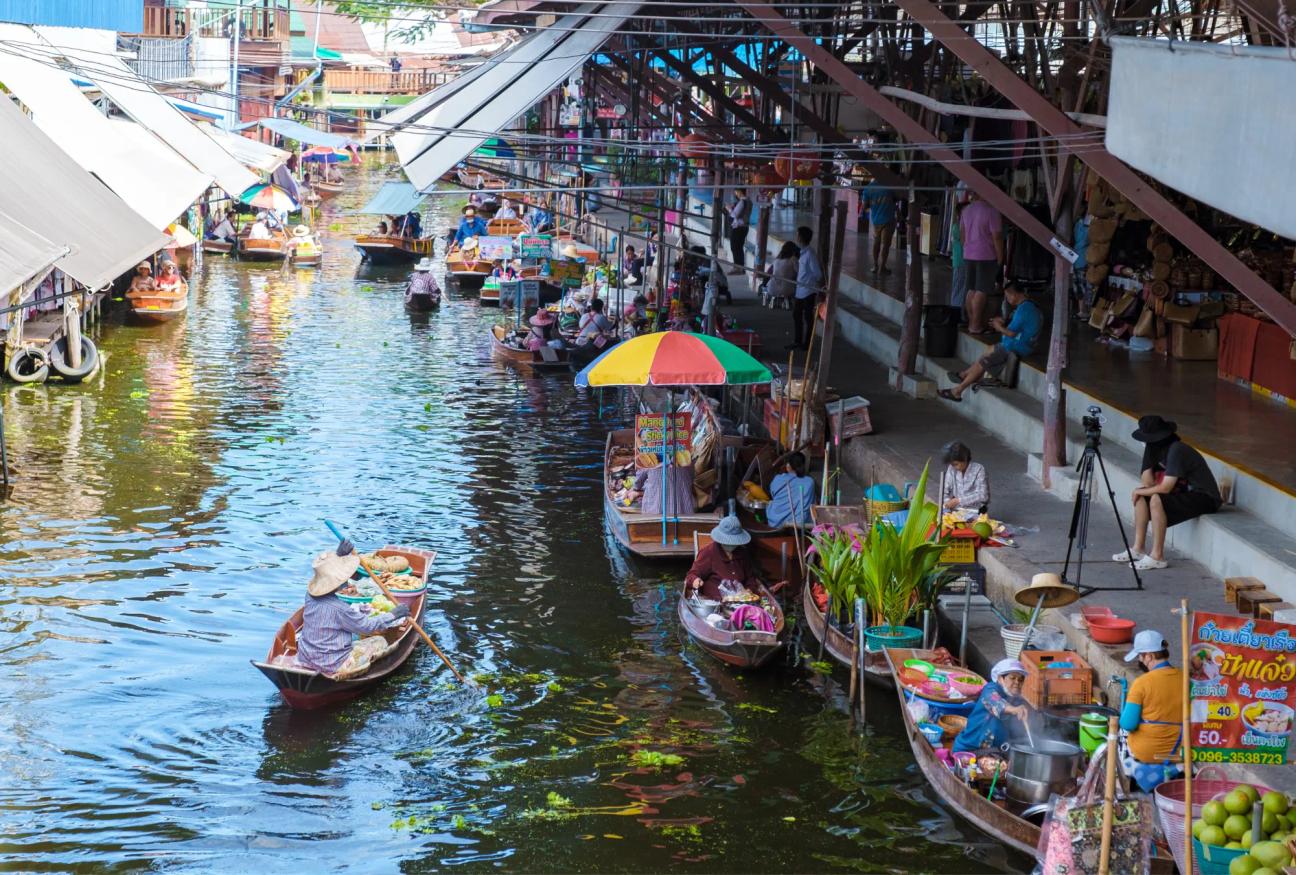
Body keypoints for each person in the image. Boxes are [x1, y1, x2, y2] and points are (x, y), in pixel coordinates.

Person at [1114, 416, 1222, 571]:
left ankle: (1157, 556)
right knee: (1142, 496)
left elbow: (1165, 488)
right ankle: (1138, 548)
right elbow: (1148, 482)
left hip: (1205, 497)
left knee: (1156, 498)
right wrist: (1148, 456)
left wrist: (1139, 490)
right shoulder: (1156, 450)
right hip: (1184, 493)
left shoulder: (1177, 449)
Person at [295, 540, 411, 678]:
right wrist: (394, 614)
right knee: (380, 641)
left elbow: (324, 574)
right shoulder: (341, 609)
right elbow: (368, 627)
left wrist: (339, 555)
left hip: (305, 656)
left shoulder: (309, 595)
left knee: (351, 636)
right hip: (333, 664)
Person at [940, 283, 1041, 402]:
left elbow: (1011, 334)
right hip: (1022, 344)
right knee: (990, 349)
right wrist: (1002, 322)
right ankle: (964, 374)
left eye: (1008, 296)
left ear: (1014, 295)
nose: (1008, 300)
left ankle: (958, 390)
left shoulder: (1023, 310)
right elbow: (1017, 327)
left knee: (983, 362)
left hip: (1018, 346)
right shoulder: (1028, 306)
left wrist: (999, 327)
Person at [1119, 629, 1185, 791]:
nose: (1140, 660)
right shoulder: (1185, 678)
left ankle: (1125, 790)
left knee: (1118, 739)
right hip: (1180, 750)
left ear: (1148, 656)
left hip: (1148, 752)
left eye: (1140, 656)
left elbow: (1128, 724)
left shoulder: (1142, 683)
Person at [953, 658, 1035, 753]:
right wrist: (1014, 710)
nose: (1017, 682)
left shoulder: (1017, 700)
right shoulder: (990, 689)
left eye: (1021, 680)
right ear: (1000, 678)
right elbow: (995, 701)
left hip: (993, 753)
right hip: (969, 750)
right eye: (1012, 678)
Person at [686, 515, 763, 600]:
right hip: (715, 602)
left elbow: (750, 578)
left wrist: (748, 591)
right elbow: (691, 575)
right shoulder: (708, 552)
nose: (731, 545)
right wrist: (695, 580)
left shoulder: (742, 553)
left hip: (740, 601)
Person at [959, 190, 1004, 334]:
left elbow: (962, 234)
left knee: (971, 289)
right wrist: (1000, 257)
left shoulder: (966, 210)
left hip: (968, 254)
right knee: (982, 290)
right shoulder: (992, 211)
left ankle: (972, 322)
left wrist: (966, 248)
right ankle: (975, 325)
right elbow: (997, 237)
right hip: (986, 255)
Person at [790, 226, 822, 350]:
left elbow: (817, 273)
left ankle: (807, 344)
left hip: (808, 291)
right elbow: (802, 272)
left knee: (808, 318)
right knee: (796, 315)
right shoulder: (802, 253)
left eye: (797, 235)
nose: (796, 237)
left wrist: (809, 282)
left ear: (802, 237)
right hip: (800, 290)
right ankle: (797, 341)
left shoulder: (810, 254)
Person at [766, 452, 816, 528]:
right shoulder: (809, 482)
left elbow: (773, 494)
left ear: (788, 466)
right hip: (795, 525)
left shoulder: (778, 478)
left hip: (774, 521)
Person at [940, 441, 989, 512]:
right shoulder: (951, 468)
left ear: (965, 459)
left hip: (975, 510)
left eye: (956, 464)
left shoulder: (979, 469)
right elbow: (944, 491)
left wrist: (959, 500)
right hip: (956, 510)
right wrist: (948, 503)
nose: (954, 467)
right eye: (952, 464)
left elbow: (983, 496)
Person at [861, 180, 897, 274]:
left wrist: (874, 207)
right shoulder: (890, 185)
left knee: (876, 242)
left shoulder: (868, 188)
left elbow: (864, 207)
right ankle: (882, 267)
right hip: (889, 219)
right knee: (885, 244)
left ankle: (875, 265)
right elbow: (896, 200)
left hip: (876, 220)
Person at [727, 187, 752, 272]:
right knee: (739, 247)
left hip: (738, 227)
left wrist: (729, 209)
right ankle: (741, 267)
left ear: (740, 192)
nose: (736, 194)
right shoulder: (749, 202)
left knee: (734, 247)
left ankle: (737, 267)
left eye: (736, 192)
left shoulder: (742, 202)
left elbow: (734, 215)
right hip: (745, 227)